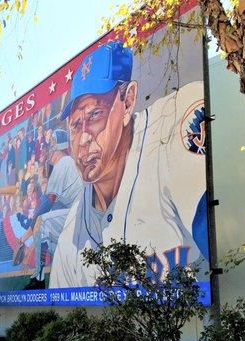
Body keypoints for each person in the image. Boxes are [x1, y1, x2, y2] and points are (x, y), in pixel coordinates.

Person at [50, 41, 208, 288]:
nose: (82, 139)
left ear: (127, 102)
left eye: (94, 116)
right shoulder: (71, 234)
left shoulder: (169, 126)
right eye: (75, 124)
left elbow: (222, 236)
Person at [18, 129, 83, 289]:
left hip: (76, 215)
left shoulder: (63, 162)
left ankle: (39, 279)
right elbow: (52, 207)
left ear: (58, 147)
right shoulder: (67, 162)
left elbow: (47, 203)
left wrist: (26, 236)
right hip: (76, 216)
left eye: (52, 144)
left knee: (41, 222)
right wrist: (24, 239)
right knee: (45, 234)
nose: (49, 149)